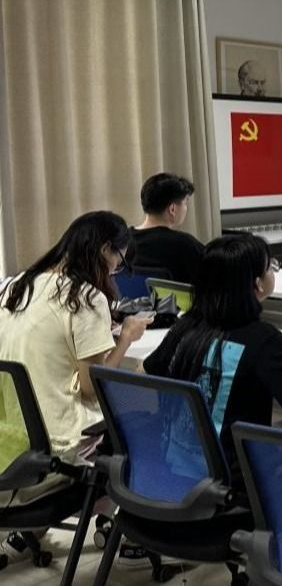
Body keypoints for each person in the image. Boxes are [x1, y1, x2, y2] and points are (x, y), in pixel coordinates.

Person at [0, 211, 151, 561]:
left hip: (11, 433)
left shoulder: (16, 285)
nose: (117, 268)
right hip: (56, 442)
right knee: (138, 419)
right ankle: (121, 528)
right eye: (119, 259)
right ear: (105, 250)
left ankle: (35, 530)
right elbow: (90, 389)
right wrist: (126, 338)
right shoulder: (85, 298)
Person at [143, 234, 282, 480]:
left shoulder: (184, 326)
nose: (273, 272)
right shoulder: (261, 338)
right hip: (231, 478)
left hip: (174, 466)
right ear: (258, 284)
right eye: (270, 267)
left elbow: (143, 373)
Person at [131, 173, 204, 284]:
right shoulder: (185, 245)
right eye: (185, 202)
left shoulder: (123, 241)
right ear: (172, 209)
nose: (186, 208)